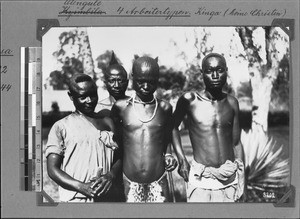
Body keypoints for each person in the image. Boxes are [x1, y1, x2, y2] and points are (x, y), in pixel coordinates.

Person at [172, 53, 245, 202]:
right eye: (209, 71)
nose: (215, 75)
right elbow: (172, 127)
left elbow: (236, 143)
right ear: (202, 73)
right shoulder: (190, 100)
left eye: (220, 70)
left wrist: (242, 179)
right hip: (201, 180)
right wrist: (182, 160)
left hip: (229, 179)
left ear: (226, 70)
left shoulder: (232, 102)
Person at [46, 73, 121, 202]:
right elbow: (52, 169)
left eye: (93, 94)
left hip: (107, 199)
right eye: (83, 96)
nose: (89, 100)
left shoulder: (107, 122)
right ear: (71, 96)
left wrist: (111, 175)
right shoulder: (61, 127)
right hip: (76, 200)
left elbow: (120, 157)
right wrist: (81, 186)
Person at [111, 56, 177, 203]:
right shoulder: (121, 107)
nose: (146, 87)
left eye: (151, 82)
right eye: (141, 81)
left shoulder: (165, 108)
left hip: (158, 180)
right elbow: (115, 137)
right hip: (129, 181)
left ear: (157, 80)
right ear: (132, 78)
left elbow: (167, 136)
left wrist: (168, 155)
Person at [95, 51, 129, 117]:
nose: (116, 85)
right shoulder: (98, 109)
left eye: (120, 80)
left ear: (127, 82)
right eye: (112, 81)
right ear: (105, 83)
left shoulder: (135, 106)